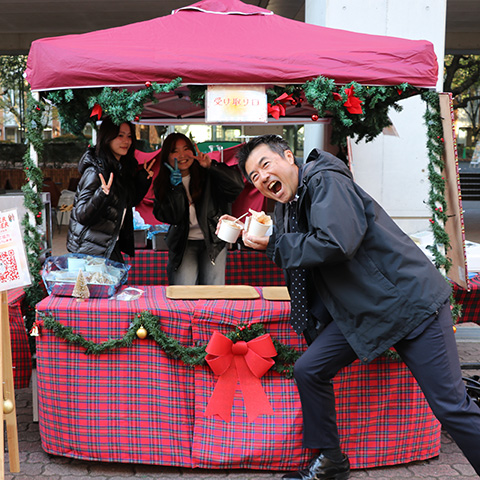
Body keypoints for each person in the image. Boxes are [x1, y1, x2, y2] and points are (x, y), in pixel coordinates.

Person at [218, 134, 480, 479]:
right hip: (367, 310)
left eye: (266, 165)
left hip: (410, 304)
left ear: (289, 157)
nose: (263, 178)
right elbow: (300, 260)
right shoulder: (285, 207)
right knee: (309, 369)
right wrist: (255, 236)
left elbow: (337, 242)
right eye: (254, 176)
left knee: (451, 406)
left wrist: (274, 244)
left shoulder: (325, 180)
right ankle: (331, 462)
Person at [152, 133, 244, 285]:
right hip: (183, 243)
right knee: (183, 289)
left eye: (186, 149)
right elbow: (171, 217)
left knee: (213, 292)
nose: (182, 155)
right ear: (166, 156)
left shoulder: (208, 174)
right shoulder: (163, 183)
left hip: (213, 241)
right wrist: (175, 189)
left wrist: (211, 166)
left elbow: (237, 186)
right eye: (175, 151)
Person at [67, 117, 155, 263]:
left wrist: (142, 180)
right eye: (120, 135)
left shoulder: (120, 169)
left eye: (129, 136)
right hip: (88, 251)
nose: (126, 141)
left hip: (108, 246)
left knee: (120, 277)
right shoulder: (95, 172)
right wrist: (101, 194)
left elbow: (129, 202)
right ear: (107, 137)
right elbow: (81, 215)